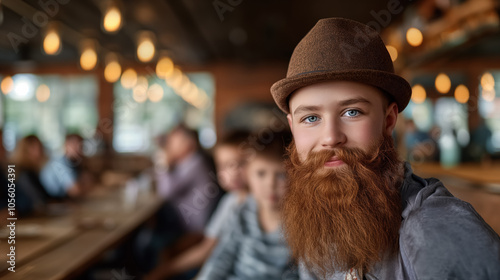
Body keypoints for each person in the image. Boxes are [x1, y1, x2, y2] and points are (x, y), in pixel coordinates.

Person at [270, 18, 500, 279]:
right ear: (292, 127)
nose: (331, 137)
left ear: (389, 120)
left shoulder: (436, 230)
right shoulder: (317, 209)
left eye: (352, 112)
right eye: (310, 118)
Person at [145, 130, 250, 280]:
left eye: (240, 164)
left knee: (150, 242)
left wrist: (164, 163)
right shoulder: (231, 201)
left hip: (194, 230)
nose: (232, 173)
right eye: (223, 166)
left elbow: (165, 192)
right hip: (195, 232)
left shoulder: (196, 162)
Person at [196, 132, 298, 279]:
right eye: (261, 173)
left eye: (282, 175)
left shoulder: (300, 226)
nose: (270, 184)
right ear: (248, 175)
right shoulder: (242, 211)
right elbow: (222, 257)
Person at [39, 134, 85, 198]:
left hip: (63, 201)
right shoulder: (59, 163)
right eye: (74, 144)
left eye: (81, 145)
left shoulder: (73, 162)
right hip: (52, 202)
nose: (78, 148)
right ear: (66, 145)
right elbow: (75, 191)